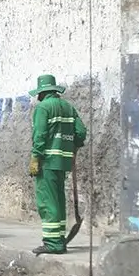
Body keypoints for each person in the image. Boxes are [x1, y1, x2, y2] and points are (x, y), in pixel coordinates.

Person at [28, 73, 87, 255]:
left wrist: (36, 157)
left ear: (41, 93)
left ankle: (53, 243)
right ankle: (59, 238)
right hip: (63, 162)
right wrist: (73, 146)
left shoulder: (43, 108)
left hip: (47, 161)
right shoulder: (68, 107)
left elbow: (40, 135)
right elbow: (81, 132)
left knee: (47, 201)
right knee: (59, 200)